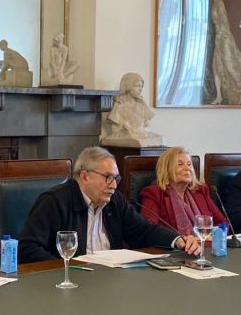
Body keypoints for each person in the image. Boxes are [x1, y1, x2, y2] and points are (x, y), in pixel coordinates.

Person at [18, 146, 202, 263]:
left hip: (109, 279)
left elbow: (144, 230)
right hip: (68, 281)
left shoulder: (115, 200)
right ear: (84, 176)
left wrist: (178, 240)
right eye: (108, 177)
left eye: (116, 178)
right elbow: (27, 248)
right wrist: (67, 268)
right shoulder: (55, 201)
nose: (114, 185)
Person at [139, 146, 226, 236]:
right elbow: (148, 230)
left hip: (205, 243)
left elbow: (222, 222)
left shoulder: (200, 190)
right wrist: (178, 240)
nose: (187, 168)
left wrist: (213, 237)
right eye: (180, 164)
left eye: (189, 164)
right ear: (166, 169)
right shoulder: (154, 193)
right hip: (174, 245)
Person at [101, 72, 161, 146]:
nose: (140, 89)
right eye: (137, 86)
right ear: (128, 86)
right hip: (128, 135)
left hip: (140, 135)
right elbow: (115, 131)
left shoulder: (142, 105)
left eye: (141, 86)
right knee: (135, 139)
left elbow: (146, 127)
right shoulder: (120, 105)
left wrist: (141, 133)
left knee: (159, 138)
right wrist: (129, 130)